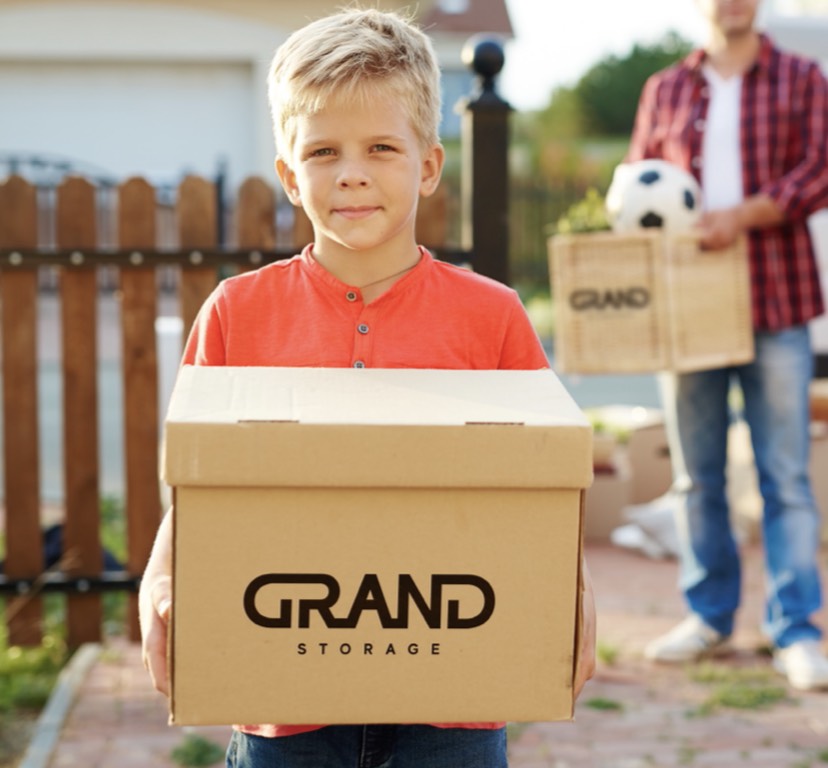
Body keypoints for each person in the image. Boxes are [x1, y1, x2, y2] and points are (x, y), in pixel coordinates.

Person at [139, 8, 596, 766]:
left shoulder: (492, 317)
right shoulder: (237, 313)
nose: (351, 171)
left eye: (381, 147)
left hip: (454, 698)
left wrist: (569, 597)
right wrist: (162, 578)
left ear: (427, 165)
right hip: (283, 699)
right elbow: (199, 485)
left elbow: (545, 490)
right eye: (323, 150)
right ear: (289, 174)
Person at [624, 0, 828, 691]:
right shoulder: (666, 89)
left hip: (778, 299)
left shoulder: (801, 76)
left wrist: (743, 216)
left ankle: (796, 629)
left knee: (786, 477)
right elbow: (635, 184)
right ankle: (709, 617)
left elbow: (821, 168)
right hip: (689, 312)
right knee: (695, 475)